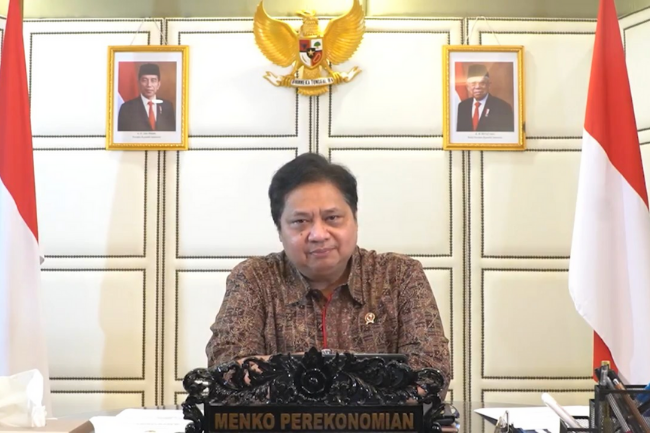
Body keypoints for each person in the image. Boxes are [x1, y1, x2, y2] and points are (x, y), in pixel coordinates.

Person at [205, 153, 451, 394]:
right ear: (279, 230)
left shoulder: (399, 276)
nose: (319, 234)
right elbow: (226, 372)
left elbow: (431, 373)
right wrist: (361, 378)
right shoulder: (253, 279)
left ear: (355, 220)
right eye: (300, 221)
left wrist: (297, 375)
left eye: (332, 218)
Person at [117, 63, 176, 132]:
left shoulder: (167, 106)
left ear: (158, 84)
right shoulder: (126, 108)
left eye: (153, 80)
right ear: (138, 83)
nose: (149, 85)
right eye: (144, 80)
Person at [456, 64, 514, 132]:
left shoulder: (503, 107)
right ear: (467, 87)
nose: (477, 87)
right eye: (473, 83)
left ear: (488, 85)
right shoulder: (462, 106)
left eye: (482, 83)